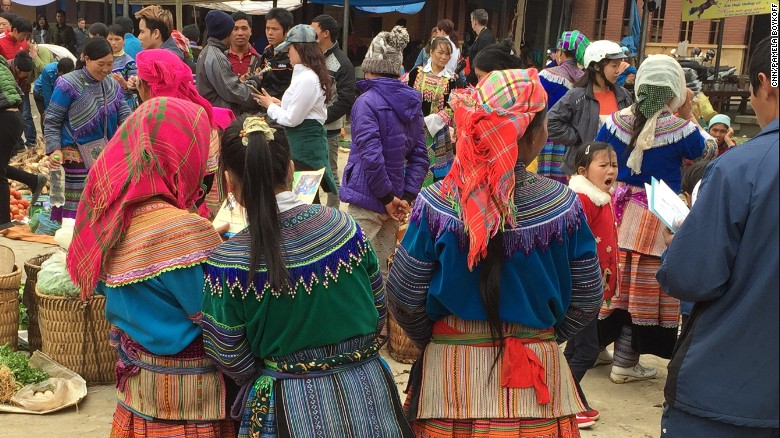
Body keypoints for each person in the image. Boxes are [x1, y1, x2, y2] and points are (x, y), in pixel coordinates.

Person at [387, 68, 603, 436]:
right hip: (535, 372)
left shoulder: (436, 204)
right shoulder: (564, 206)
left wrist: (441, 337)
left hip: (451, 376)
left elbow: (404, 295)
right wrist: (543, 333)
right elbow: (587, 297)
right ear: (530, 135)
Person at [200, 114, 413, 437]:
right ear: (290, 170)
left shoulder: (228, 263)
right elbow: (378, 307)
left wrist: (276, 371)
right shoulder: (344, 229)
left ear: (228, 183)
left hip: (286, 403)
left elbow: (228, 353)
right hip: (368, 392)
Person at [66, 97, 235, 438]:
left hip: (138, 390)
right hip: (191, 401)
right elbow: (213, 316)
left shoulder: (107, 220)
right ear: (181, 155)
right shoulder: (183, 231)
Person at [657, 36, 778, 437]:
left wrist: (682, 244)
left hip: (727, 391)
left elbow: (691, 277)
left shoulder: (741, 168)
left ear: (766, 84)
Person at [594, 54, 716, 384]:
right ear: (673, 90)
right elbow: (708, 152)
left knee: (609, 283)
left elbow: (597, 153)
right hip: (656, 218)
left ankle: (593, 349)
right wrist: (689, 112)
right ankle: (625, 361)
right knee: (641, 292)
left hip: (614, 213)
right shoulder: (682, 129)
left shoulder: (614, 120)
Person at [339, 26, 427, 278]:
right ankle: (381, 316)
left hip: (368, 197)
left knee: (353, 270)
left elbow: (371, 157)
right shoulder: (413, 102)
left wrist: (387, 198)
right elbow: (421, 157)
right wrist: (406, 197)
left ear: (369, 66)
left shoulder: (365, 102)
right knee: (382, 270)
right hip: (397, 200)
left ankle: (361, 317)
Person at [136, 48, 235, 218]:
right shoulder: (202, 114)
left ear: (147, 86)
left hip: (169, 219)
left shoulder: (153, 124)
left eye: (140, 82)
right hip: (208, 214)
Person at [44, 37, 131, 223]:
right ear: (86, 59)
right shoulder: (67, 84)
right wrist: (54, 149)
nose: (106, 69)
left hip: (105, 158)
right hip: (74, 158)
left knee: (100, 213)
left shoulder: (112, 84)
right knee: (75, 217)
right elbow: (52, 119)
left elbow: (124, 114)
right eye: (101, 64)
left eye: (110, 64)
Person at [565, 141, 619, 429]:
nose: (611, 170)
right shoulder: (584, 200)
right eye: (604, 165)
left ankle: (573, 400)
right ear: (583, 171)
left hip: (591, 289)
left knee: (575, 349)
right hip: (582, 289)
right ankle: (563, 403)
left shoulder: (600, 196)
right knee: (587, 350)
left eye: (614, 165)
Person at [253, 24, 337, 204]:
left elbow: (292, 119)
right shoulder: (306, 75)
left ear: (300, 49)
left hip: (304, 151)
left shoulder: (307, 78)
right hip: (302, 148)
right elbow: (301, 109)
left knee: (304, 201)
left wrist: (270, 106)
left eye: (289, 49)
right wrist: (277, 102)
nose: (288, 54)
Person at [548, 40, 631, 176]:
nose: (618, 71)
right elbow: (550, 122)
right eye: (614, 66)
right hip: (583, 170)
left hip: (615, 171)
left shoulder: (624, 96)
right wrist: (577, 139)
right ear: (596, 67)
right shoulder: (576, 96)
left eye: (619, 65)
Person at [311, 14, 356, 210]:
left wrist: (321, 117)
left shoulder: (341, 63)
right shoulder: (310, 56)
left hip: (328, 128)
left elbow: (345, 100)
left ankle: (332, 215)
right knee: (310, 173)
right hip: (309, 126)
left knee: (329, 174)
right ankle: (314, 213)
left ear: (325, 33)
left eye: (314, 31)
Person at [406, 36, 462, 187]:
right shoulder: (416, 74)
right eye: (440, 52)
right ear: (431, 52)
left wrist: (431, 121)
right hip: (414, 128)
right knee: (412, 168)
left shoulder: (451, 80)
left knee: (436, 173)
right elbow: (407, 99)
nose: (444, 57)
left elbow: (451, 107)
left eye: (447, 54)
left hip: (438, 132)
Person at [537, 30, 590, 184]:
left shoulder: (546, 75)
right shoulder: (584, 79)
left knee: (546, 184)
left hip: (549, 138)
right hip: (574, 143)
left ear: (560, 52)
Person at [1, 53, 45, 228]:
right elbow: (18, 96)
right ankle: (33, 180)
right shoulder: (4, 67)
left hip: (6, 119)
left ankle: (3, 221)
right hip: (11, 118)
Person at [196, 10, 259, 115]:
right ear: (227, 32)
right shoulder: (217, 56)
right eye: (233, 29)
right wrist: (254, 83)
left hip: (212, 112)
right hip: (221, 116)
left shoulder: (207, 51)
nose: (238, 33)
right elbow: (233, 90)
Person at [674, 159, 708, 328]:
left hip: (693, 305)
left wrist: (672, 246)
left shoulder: (691, 228)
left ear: (688, 196)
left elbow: (673, 276)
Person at [258, 7, 294, 99]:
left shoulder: (294, 55)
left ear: (287, 30)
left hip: (284, 107)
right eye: (267, 28)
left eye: (275, 29)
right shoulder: (266, 51)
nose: (270, 33)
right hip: (264, 106)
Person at [33, 57, 74, 125]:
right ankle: (45, 135)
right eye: (64, 75)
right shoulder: (48, 71)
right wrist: (48, 110)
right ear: (59, 71)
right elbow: (47, 93)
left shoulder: (70, 71)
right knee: (46, 117)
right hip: (40, 93)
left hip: (54, 93)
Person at [107, 24, 137, 109]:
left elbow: (135, 88)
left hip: (125, 104)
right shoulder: (101, 60)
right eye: (110, 39)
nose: (113, 43)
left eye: (117, 39)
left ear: (124, 41)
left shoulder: (129, 62)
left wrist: (123, 83)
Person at [465, 8, 495, 86]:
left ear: (475, 22)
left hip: (479, 79)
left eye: (471, 21)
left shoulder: (486, 38)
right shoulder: (481, 35)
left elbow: (482, 62)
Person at [226, 11, 258, 77]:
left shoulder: (259, 60)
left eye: (244, 28)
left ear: (251, 31)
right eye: (235, 29)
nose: (240, 33)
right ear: (229, 31)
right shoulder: (221, 58)